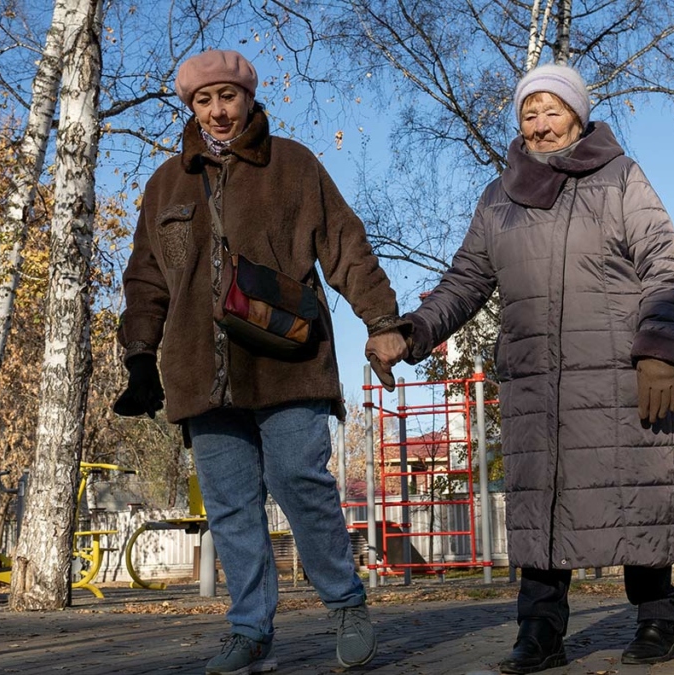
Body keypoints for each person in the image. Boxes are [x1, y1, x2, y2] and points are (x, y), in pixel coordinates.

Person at [112, 49, 409, 675]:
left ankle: (347, 603)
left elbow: (345, 246)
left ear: (248, 98)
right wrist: (140, 354)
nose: (218, 111)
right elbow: (145, 279)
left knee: (300, 481)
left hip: (288, 361)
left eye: (228, 96)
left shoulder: (293, 165)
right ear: (190, 107)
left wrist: (381, 322)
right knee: (229, 505)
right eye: (204, 100)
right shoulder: (165, 183)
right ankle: (249, 630)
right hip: (198, 369)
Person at [397, 63, 674, 672]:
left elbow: (663, 264)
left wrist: (659, 350)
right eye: (529, 114)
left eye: (552, 110)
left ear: (579, 117)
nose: (540, 124)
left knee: (631, 495)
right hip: (535, 383)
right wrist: (415, 331)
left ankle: (659, 619)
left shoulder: (620, 178)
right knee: (541, 505)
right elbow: (466, 281)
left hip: (618, 376)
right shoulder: (498, 196)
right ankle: (539, 633)